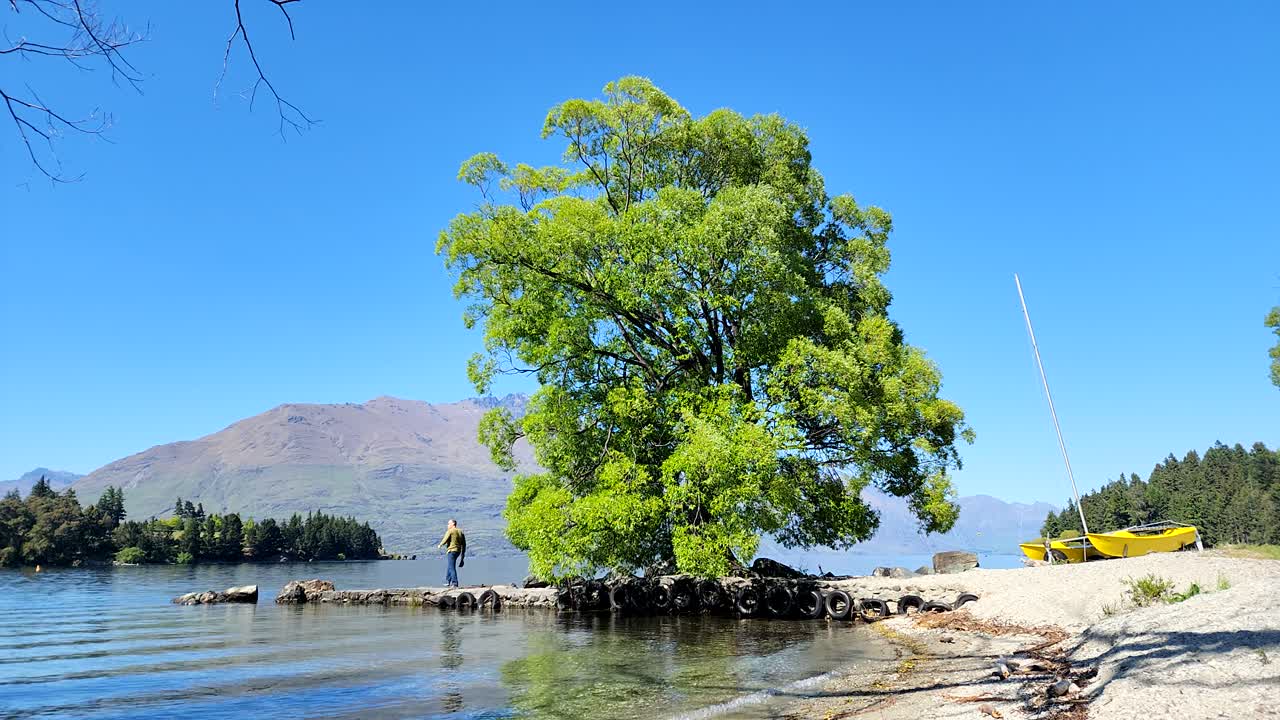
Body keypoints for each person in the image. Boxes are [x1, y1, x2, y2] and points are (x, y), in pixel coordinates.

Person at [437, 519, 466, 587]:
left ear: (453, 524)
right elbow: (464, 545)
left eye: (448, 524)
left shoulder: (450, 531)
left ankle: (455, 583)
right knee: (450, 565)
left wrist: (440, 545)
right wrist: (462, 558)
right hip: (458, 551)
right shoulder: (460, 531)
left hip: (451, 551)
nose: (447, 525)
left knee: (452, 567)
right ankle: (447, 580)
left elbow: (445, 539)